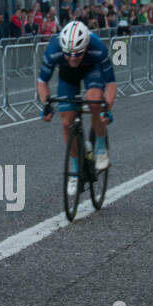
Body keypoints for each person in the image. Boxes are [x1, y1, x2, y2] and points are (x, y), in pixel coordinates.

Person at [37, 20, 117, 196]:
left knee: (94, 100)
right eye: (68, 54)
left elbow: (111, 83)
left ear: (86, 47)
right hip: (68, 75)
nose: (73, 58)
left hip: (92, 69)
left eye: (78, 54)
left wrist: (107, 109)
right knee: (66, 121)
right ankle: (74, 168)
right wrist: (46, 104)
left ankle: (101, 146)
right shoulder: (53, 49)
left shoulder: (97, 48)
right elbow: (42, 81)